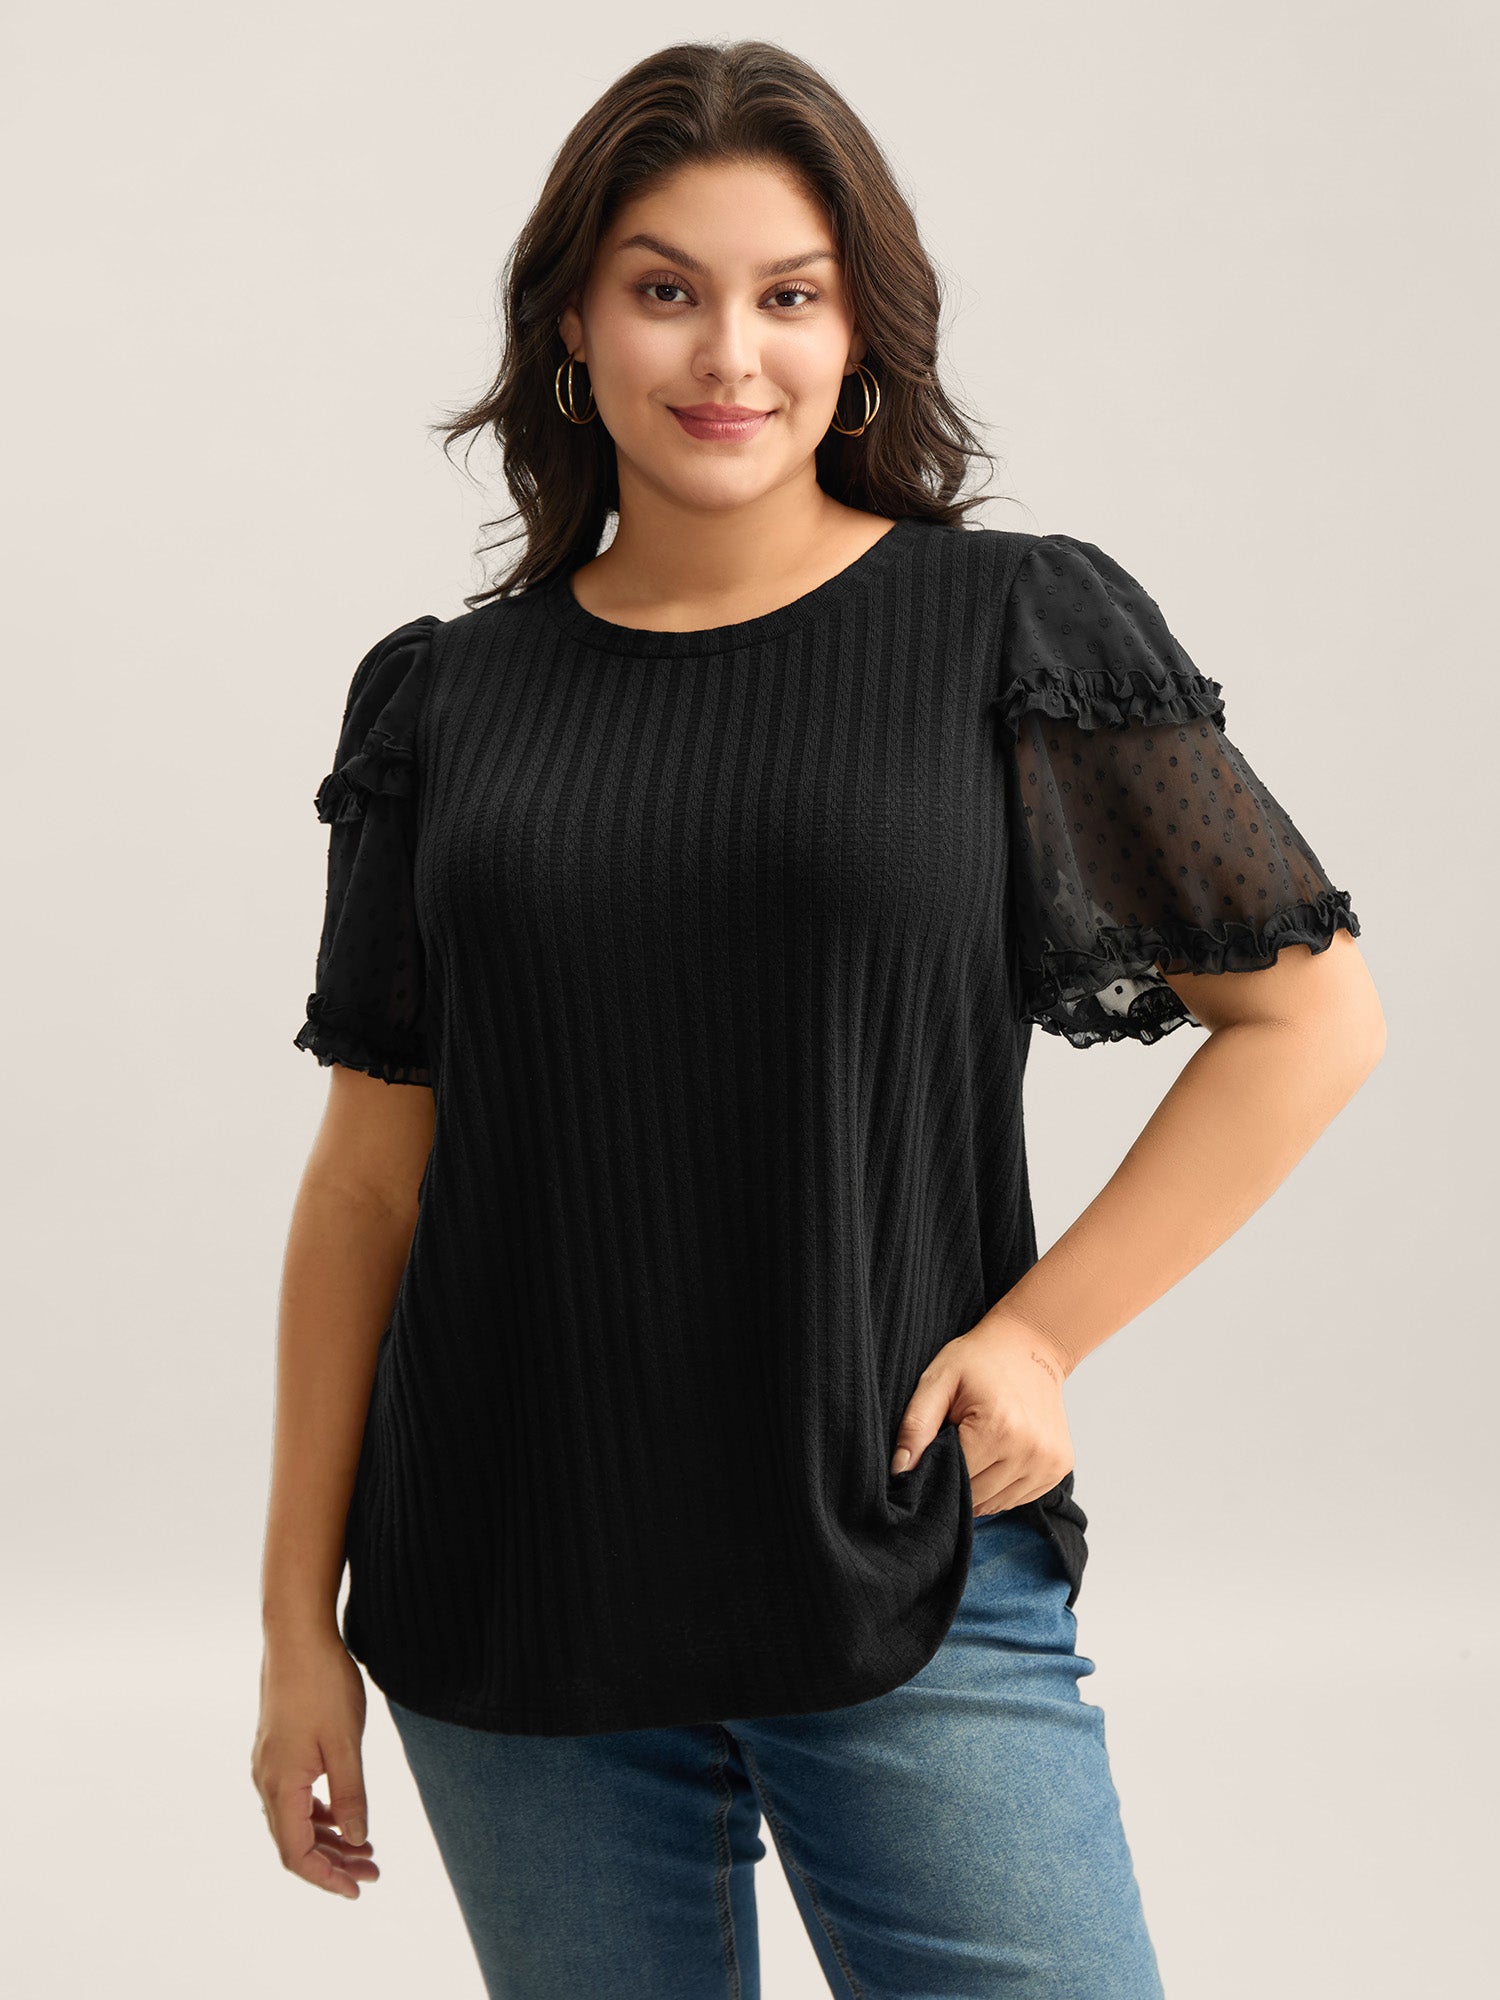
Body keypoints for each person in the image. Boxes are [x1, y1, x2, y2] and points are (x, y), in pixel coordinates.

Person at [252, 38, 1384, 2000]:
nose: (728, 355)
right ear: (572, 325)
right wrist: (294, 1620)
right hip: (508, 1592)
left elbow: (1309, 1018)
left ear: (861, 333)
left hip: (897, 1550)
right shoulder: (444, 701)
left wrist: (1040, 1335)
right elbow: (369, 1180)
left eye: (789, 295)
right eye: (664, 289)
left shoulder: (1015, 628)